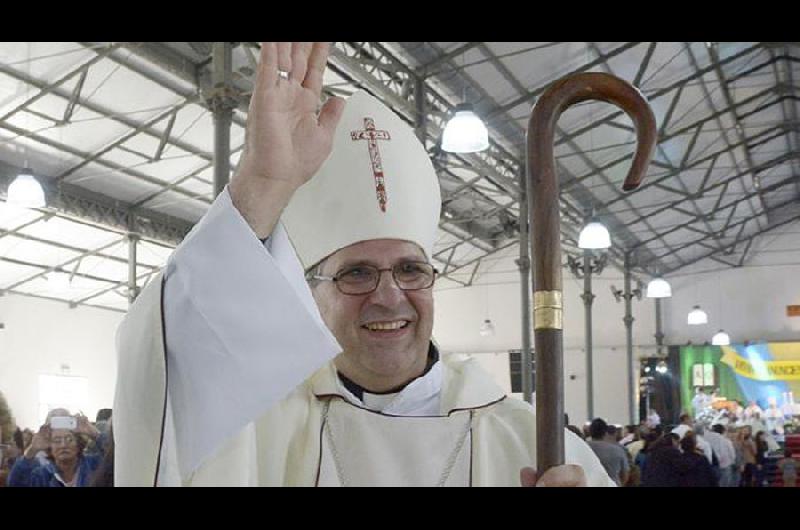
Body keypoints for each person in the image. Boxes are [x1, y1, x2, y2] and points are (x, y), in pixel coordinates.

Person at [112, 42, 613, 487]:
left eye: (411, 269)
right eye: (356, 273)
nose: (389, 295)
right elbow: (167, 363)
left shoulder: (530, 441)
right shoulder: (259, 425)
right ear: (311, 294)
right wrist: (261, 183)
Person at [7, 415, 101, 487]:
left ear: (78, 444)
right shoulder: (42, 475)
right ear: (50, 447)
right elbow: (14, 483)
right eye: (57, 441)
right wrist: (32, 449)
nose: (63, 445)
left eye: (69, 439)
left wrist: (94, 433)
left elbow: (113, 457)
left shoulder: (94, 465)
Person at [585, 418, 629, 486]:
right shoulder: (617, 450)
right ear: (605, 432)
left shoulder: (583, 447)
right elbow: (625, 474)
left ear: (590, 432)